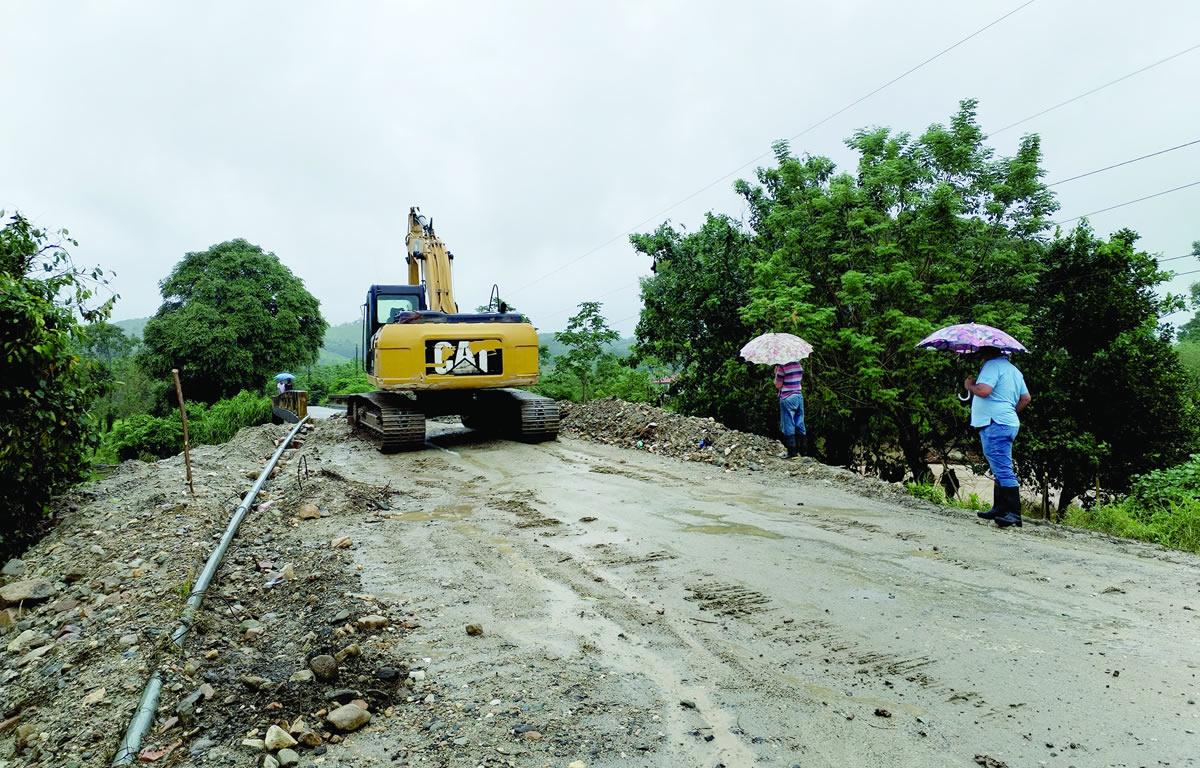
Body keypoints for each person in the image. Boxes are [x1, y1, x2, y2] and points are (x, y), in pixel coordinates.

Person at [964, 347, 1031, 528]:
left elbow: (984, 390)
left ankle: (1013, 514)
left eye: (980, 353)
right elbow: (1025, 398)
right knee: (999, 465)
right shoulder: (1014, 370)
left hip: (995, 422)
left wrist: (969, 386)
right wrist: (1009, 412)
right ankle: (1000, 508)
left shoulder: (992, 366)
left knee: (1002, 468)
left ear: (987, 353)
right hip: (1006, 422)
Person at [774, 359, 806, 458]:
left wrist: (776, 374)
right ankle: (803, 451)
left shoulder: (781, 367)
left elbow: (778, 385)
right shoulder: (798, 364)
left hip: (787, 397)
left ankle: (792, 452)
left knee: (788, 424)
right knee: (799, 423)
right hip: (798, 396)